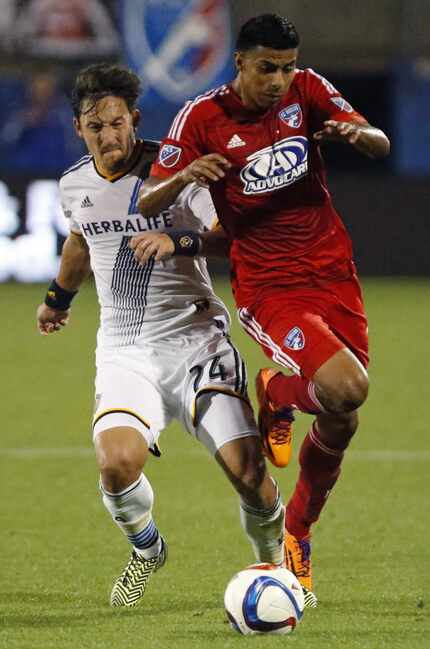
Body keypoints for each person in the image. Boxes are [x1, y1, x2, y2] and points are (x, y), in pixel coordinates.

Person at [36, 63, 313, 609]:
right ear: (79, 129)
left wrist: (175, 241)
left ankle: (279, 570)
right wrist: (56, 300)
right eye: (96, 128)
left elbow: (226, 236)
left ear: (134, 119)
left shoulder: (179, 168)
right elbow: (79, 241)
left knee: (249, 473)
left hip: (196, 341)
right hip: (125, 350)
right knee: (115, 464)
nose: (108, 136)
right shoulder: (74, 184)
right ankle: (147, 550)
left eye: (117, 124)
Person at [134, 14, 391, 595]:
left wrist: (358, 134)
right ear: (241, 64)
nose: (280, 79)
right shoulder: (202, 117)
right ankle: (277, 391)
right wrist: (185, 177)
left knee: (341, 416)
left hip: (333, 270)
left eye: (288, 66)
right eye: (267, 68)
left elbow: (379, 140)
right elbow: (151, 195)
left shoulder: (309, 90)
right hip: (271, 286)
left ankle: (297, 525)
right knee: (348, 388)